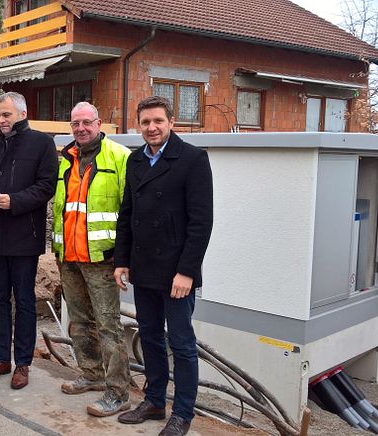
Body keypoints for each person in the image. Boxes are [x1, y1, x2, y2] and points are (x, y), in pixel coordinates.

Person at [114, 96, 213, 436]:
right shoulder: (135, 161)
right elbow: (127, 214)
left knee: (182, 344)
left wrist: (187, 271)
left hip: (176, 273)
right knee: (151, 337)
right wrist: (121, 261)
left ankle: (183, 413)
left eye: (158, 121)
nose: (152, 128)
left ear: (171, 122)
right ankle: (155, 401)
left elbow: (201, 222)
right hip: (144, 268)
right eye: (145, 122)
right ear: (138, 126)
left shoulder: (193, 159)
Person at [0, 91, 58, 390]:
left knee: (26, 301)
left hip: (24, 235)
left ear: (22, 112)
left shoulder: (41, 143)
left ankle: (23, 363)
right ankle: (0, 359)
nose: (1, 120)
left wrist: (14, 200)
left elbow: (46, 186)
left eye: (6, 114)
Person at [52, 102, 132, 416]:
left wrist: (123, 258)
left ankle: (118, 392)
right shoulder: (65, 160)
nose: (81, 128)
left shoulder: (119, 157)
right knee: (80, 322)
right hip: (68, 258)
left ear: (99, 123)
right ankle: (91, 373)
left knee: (109, 326)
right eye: (75, 123)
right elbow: (62, 209)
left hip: (102, 259)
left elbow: (129, 212)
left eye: (87, 122)